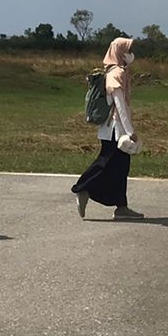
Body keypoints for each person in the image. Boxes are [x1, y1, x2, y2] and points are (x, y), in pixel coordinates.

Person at [70, 36, 143, 219]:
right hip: (115, 129)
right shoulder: (116, 73)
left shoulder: (114, 71)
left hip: (111, 128)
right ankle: (82, 188)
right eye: (127, 50)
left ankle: (121, 206)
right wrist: (130, 131)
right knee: (105, 163)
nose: (131, 54)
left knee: (120, 167)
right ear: (119, 52)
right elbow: (120, 105)